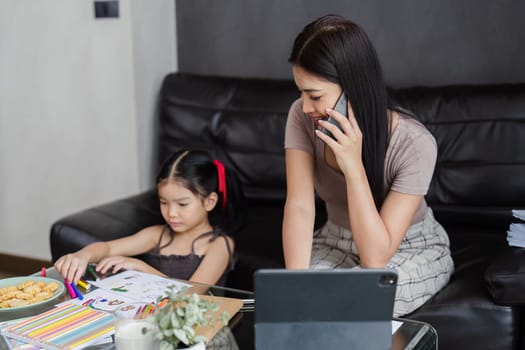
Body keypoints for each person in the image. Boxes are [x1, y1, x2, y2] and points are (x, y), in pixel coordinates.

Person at [282, 15, 454, 316]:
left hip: (408, 247)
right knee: (302, 303)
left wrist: (353, 167)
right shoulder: (301, 116)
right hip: (334, 240)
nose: (305, 105)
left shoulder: (414, 143)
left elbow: (375, 257)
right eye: (300, 92)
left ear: (352, 89)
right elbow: (299, 207)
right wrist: (295, 286)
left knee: (357, 303)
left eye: (315, 95)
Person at [55, 149, 245, 287]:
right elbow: (108, 247)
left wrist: (141, 268)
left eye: (182, 204)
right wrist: (82, 255)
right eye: (164, 202)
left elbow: (194, 293)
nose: (171, 213)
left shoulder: (219, 245)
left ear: (209, 202)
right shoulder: (158, 235)